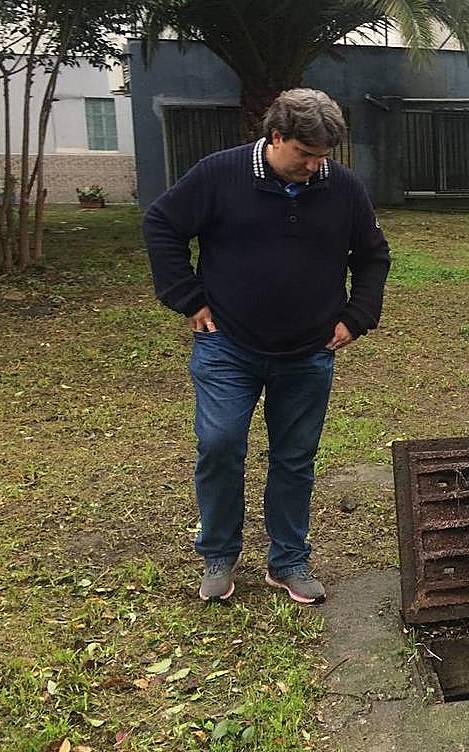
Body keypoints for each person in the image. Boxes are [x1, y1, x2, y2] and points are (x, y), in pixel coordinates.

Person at [142, 89, 391, 604]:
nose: (315, 165)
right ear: (275, 136)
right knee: (220, 446)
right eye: (305, 154)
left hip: (308, 352)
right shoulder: (218, 174)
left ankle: (289, 561)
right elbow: (162, 224)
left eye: (324, 156)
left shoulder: (341, 188)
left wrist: (357, 316)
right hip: (227, 346)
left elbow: (372, 256)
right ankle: (218, 555)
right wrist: (188, 298)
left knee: (295, 458)